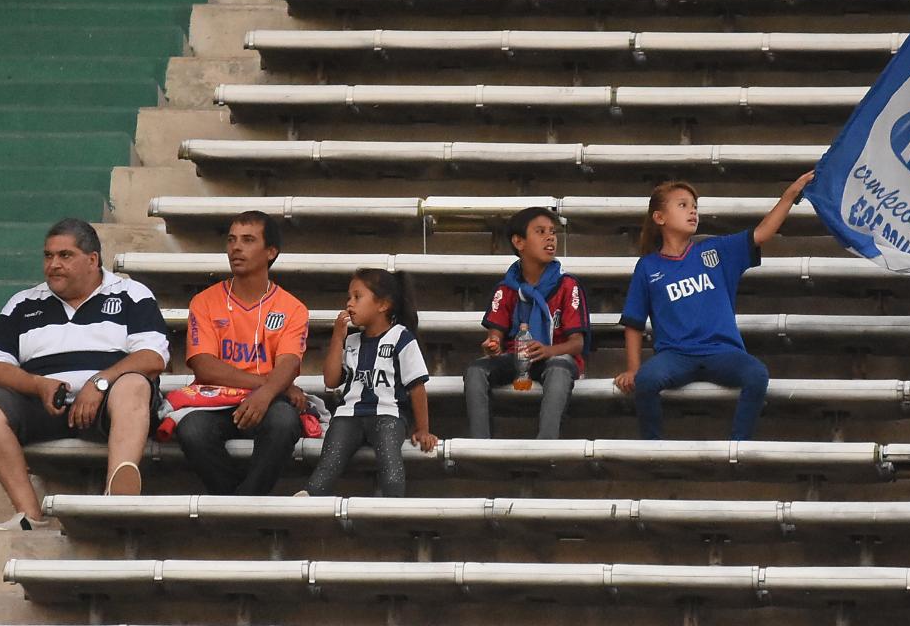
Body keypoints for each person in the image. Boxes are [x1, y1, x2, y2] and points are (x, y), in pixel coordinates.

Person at [0, 218, 170, 530]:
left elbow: (153, 357)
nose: (53, 265)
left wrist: (100, 382)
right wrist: (37, 385)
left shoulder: (131, 294)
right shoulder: (23, 303)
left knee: (133, 383)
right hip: (45, 405)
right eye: (48, 256)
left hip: (109, 404)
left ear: (92, 260)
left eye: (65, 256)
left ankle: (116, 501)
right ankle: (29, 517)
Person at [614, 173, 814, 440]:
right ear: (659, 218)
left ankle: (738, 447)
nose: (693, 210)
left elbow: (762, 233)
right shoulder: (648, 266)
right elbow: (634, 322)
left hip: (722, 352)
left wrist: (790, 195)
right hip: (675, 355)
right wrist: (633, 368)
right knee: (647, 380)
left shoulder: (715, 251)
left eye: (695, 206)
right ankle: (653, 449)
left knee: (756, 374)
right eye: (682, 205)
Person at [176, 211, 309, 496]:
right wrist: (271, 387)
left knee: (284, 423)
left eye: (248, 240)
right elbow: (204, 366)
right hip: (216, 399)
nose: (236, 247)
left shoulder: (292, 307)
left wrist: (268, 394)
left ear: (271, 252)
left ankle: (242, 503)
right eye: (231, 240)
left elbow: (289, 362)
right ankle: (242, 503)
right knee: (192, 431)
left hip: (269, 402)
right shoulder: (204, 301)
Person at [300, 269, 436, 497]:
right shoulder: (351, 341)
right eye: (348, 298)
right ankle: (310, 496)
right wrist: (337, 338)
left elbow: (417, 387)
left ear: (382, 305)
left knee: (390, 462)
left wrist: (422, 429)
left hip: (388, 414)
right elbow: (331, 380)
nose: (349, 304)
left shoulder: (401, 338)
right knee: (329, 461)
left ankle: (394, 504)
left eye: (357, 297)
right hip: (347, 415)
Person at [464, 207, 590, 439]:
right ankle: (480, 442)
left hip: (555, 356)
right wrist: (492, 344)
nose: (550, 237)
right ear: (519, 242)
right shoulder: (507, 288)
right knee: (475, 370)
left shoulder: (567, 285)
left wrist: (548, 350)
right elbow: (495, 336)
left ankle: (547, 444)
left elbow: (577, 344)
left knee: (560, 367)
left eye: (553, 232)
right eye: (540, 232)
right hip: (517, 357)